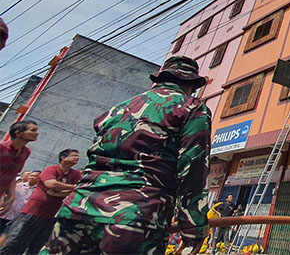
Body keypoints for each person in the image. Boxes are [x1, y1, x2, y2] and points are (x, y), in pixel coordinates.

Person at [43, 56, 212, 255]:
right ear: (192, 84)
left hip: (77, 208)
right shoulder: (192, 107)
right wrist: (193, 229)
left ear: (160, 79)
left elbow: (94, 157)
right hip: (135, 214)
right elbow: (192, 168)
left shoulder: (117, 109)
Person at [0, 150, 80, 254]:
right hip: (33, 212)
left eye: (77, 156)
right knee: (15, 242)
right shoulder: (51, 169)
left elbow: (78, 189)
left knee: (37, 246)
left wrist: (56, 193)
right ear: (63, 158)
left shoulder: (75, 174)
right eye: (73, 155)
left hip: (51, 216)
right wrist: (71, 188)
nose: (77, 158)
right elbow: (51, 184)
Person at [0, 121, 38, 223]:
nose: (36, 133)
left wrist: (11, 197)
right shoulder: (1, 148)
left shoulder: (26, 152)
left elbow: (13, 175)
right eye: (32, 130)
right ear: (18, 133)